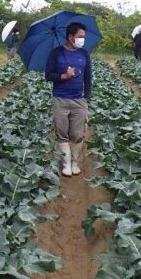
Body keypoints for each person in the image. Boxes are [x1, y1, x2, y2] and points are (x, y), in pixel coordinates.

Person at [45, 22, 92, 177]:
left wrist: (87, 98)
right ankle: (66, 165)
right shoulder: (56, 53)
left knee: (78, 135)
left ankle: (75, 162)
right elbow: (48, 76)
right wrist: (64, 76)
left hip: (79, 100)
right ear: (71, 37)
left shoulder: (84, 54)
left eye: (83, 37)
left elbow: (88, 77)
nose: (82, 40)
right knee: (62, 133)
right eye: (80, 37)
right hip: (60, 99)